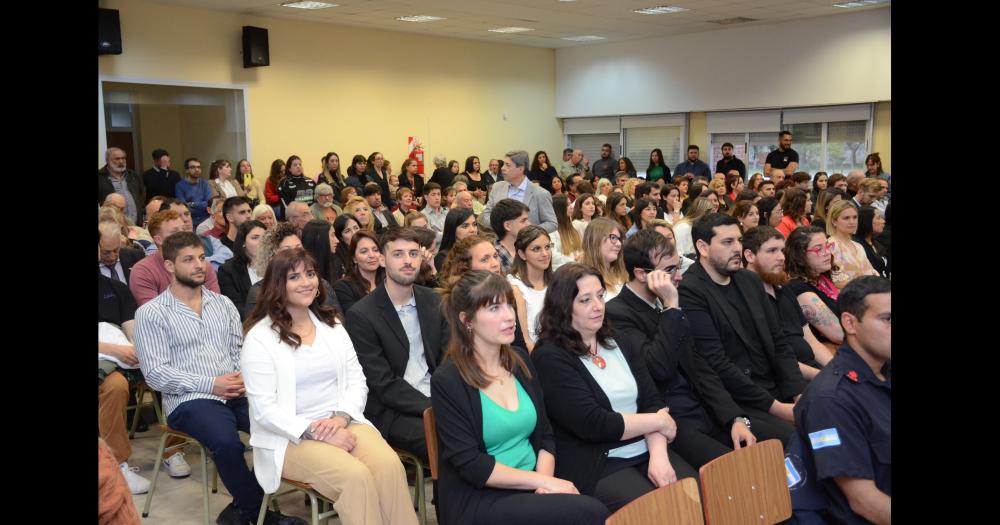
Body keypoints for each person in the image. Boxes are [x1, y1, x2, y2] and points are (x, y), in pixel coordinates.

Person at [134, 231, 307, 525]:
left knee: (283, 428)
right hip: (189, 401)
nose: (199, 265)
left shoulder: (223, 304)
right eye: (188, 260)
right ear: (169, 266)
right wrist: (212, 384)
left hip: (236, 391)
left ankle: (240, 508)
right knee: (228, 444)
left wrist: (244, 377)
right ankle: (261, 516)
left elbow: (240, 350)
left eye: (202, 258)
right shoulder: (151, 314)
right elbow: (155, 375)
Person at [241, 247, 417, 525]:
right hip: (289, 438)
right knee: (355, 478)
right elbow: (264, 409)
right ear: (277, 285)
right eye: (294, 277)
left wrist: (341, 417)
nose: (307, 282)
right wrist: (316, 432)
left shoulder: (331, 324)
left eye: (310, 274)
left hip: (342, 422)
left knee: (389, 466)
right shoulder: (260, 338)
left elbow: (357, 380)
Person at [432, 270, 610, 525]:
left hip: (530, 484)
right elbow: (472, 464)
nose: (508, 316)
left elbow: (546, 433)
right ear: (466, 320)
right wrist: (543, 481)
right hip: (482, 497)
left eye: (509, 305)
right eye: (494, 309)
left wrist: (544, 484)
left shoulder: (519, 360)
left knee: (589, 502)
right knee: (590, 512)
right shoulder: (448, 380)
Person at [531, 263, 694, 512]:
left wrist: (659, 456)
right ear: (564, 307)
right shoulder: (549, 356)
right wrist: (658, 422)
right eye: (585, 300)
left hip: (648, 446)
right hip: (600, 459)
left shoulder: (616, 338)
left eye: (599, 296)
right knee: (657, 512)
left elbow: (651, 400)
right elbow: (594, 423)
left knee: (692, 499)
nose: (598, 306)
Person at [607, 230, 741, 468]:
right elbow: (659, 369)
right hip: (671, 419)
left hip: (704, 408)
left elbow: (699, 365)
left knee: (769, 442)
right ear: (640, 273)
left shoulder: (665, 301)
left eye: (677, 266)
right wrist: (670, 306)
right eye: (669, 270)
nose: (678, 276)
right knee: (734, 470)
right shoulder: (617, 313)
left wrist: (734, 417)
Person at [677, 213, 807, 446]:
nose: (737, 248)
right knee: (796, 441)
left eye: (739, 240)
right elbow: (715, 362)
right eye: (727, 242)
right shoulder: (690, 290)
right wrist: (779, 408)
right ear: (702, 247)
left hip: (776, 385)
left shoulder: (749, 280)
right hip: (738, 399)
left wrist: (798, 392)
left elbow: (779, 341)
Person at [344, 227, 448, 465]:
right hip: (394, 411)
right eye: (398, 254)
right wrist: (434, 407)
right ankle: (451, 503)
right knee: (450, 440)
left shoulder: (434, 300)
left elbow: (447, 360)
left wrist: (448, 399)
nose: (408, 261)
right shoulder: (362, 315)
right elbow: (382, 382)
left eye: (413, 253)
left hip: (439, 397)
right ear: (382, 259)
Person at [793, 276, 891, 525]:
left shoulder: (883, 371)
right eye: (887, 319)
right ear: (850, 323)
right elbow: (865, 502)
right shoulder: (831, 400)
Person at [742, 226, 834, 381]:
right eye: (772, 251)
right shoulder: (744, 298)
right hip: (789, 379)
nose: (781, 257)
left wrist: (836, 369)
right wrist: (825, 376)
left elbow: (811, 341)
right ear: (750, 256)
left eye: (782, 251)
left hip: (815, 370)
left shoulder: (784, 289)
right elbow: (775, 359)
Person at [244, 223, 341, 319]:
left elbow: (336, 320)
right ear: (271, 257)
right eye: (287, 250)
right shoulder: (259, 292)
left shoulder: (320, 284)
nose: (295, 254)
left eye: (299, 248)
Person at [129, 210, 222, 306]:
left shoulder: (202, 265)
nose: (183, 235)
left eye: (184, 230)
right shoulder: (143, 271)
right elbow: (154, 314)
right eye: (175, 232)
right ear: (158, 240)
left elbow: (216, 305)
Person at [784, 226, 845, 348]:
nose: (827, 253)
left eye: (827, 246)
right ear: (800, 254)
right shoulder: (799, 288)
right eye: (818, 249)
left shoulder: (821, 277)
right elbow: (839, 334)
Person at [481, 150, 558, 234]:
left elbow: (552, 223)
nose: (502, 168)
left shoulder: (540, 194)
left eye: (507, 165)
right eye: (503, 164)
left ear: (521, 168)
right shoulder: (497, 187)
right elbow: (486, 214)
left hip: (528, 244)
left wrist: (527, 232)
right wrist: (501, 226)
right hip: (500, 244)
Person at [507, 226, 553, 349]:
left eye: (547, 247)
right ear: (522, 254)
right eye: (536, 249)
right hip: (537, 353)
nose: (545, 254)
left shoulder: (555, 281)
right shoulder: (516, 287)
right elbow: (526, 340)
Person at [218, 220, 267, 320]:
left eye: (265, 238)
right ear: (243, 242)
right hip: (249, 323)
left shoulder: (277, 264)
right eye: (255, 238)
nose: (262, 242)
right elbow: (236, 308)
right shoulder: (228, 270)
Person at [825, 200, 877, 289]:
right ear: (834, 221)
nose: (852, 222)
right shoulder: (831, 245)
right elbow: (837, 280)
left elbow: (873, 273)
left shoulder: (858, 246)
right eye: (846, 218)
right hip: (848, 297)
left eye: (855, 217)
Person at [333, 231, 384, 315]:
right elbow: (355, 317)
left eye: (375, 250)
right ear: (354, 258)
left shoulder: (389, 280)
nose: (372, 255)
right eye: (364, 251)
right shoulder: (343, 287)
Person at [580, 218, 628, 302]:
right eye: (613, 238)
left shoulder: (623, 272)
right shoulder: (581, 279)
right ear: (595, 240)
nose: (619, 244)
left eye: (619, 239)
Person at [99, 147, 147, 226]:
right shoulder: (100, 178)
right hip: (112, 225)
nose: (121, 161)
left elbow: (142, 193)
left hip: (136, 225)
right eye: (117, 159)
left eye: (123, 158)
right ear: (108, 160)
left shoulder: (133, 175)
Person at [489, 199, 532, 274]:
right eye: (523, 221)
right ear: (507, 226)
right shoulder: (495, 256)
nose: (529, 224)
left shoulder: (527, 246)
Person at [301, 219, 344, 285]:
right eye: (332, 235)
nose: (337, 240)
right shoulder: (303, 266)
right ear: (319, 238)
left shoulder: (336, 262)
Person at [175, 157, 213, 227]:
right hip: (190, 220)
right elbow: (184, 207)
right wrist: (201, 205)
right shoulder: (179, 185)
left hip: (207, 219)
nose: (197, 170)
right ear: (187, 170)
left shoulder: (205, 183)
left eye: (198, 167)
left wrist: (192, 204)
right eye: (193, 167)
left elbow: (209, 204)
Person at [854, 206, 888, 279]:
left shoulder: (876, 243)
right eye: (878, 218)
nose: (883, 221)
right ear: (867, 221)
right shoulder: (858, 245)